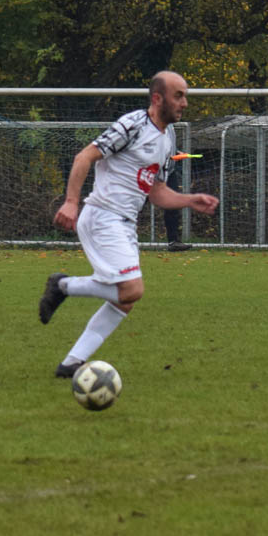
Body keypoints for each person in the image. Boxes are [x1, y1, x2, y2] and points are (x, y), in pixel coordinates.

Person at [37, 71, 219, 377]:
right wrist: (71, 202)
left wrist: (189, 200)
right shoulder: (133, 124)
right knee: (131, 289)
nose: (184, 103)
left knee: (124, 301)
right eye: (178, 95)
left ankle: (70, 364)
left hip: (123, 224)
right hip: (102, 216)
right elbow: (84, 156)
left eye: (185, 96)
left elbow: (157, 192)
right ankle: (63, 286)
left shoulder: (168, 138)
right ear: (157, 98)